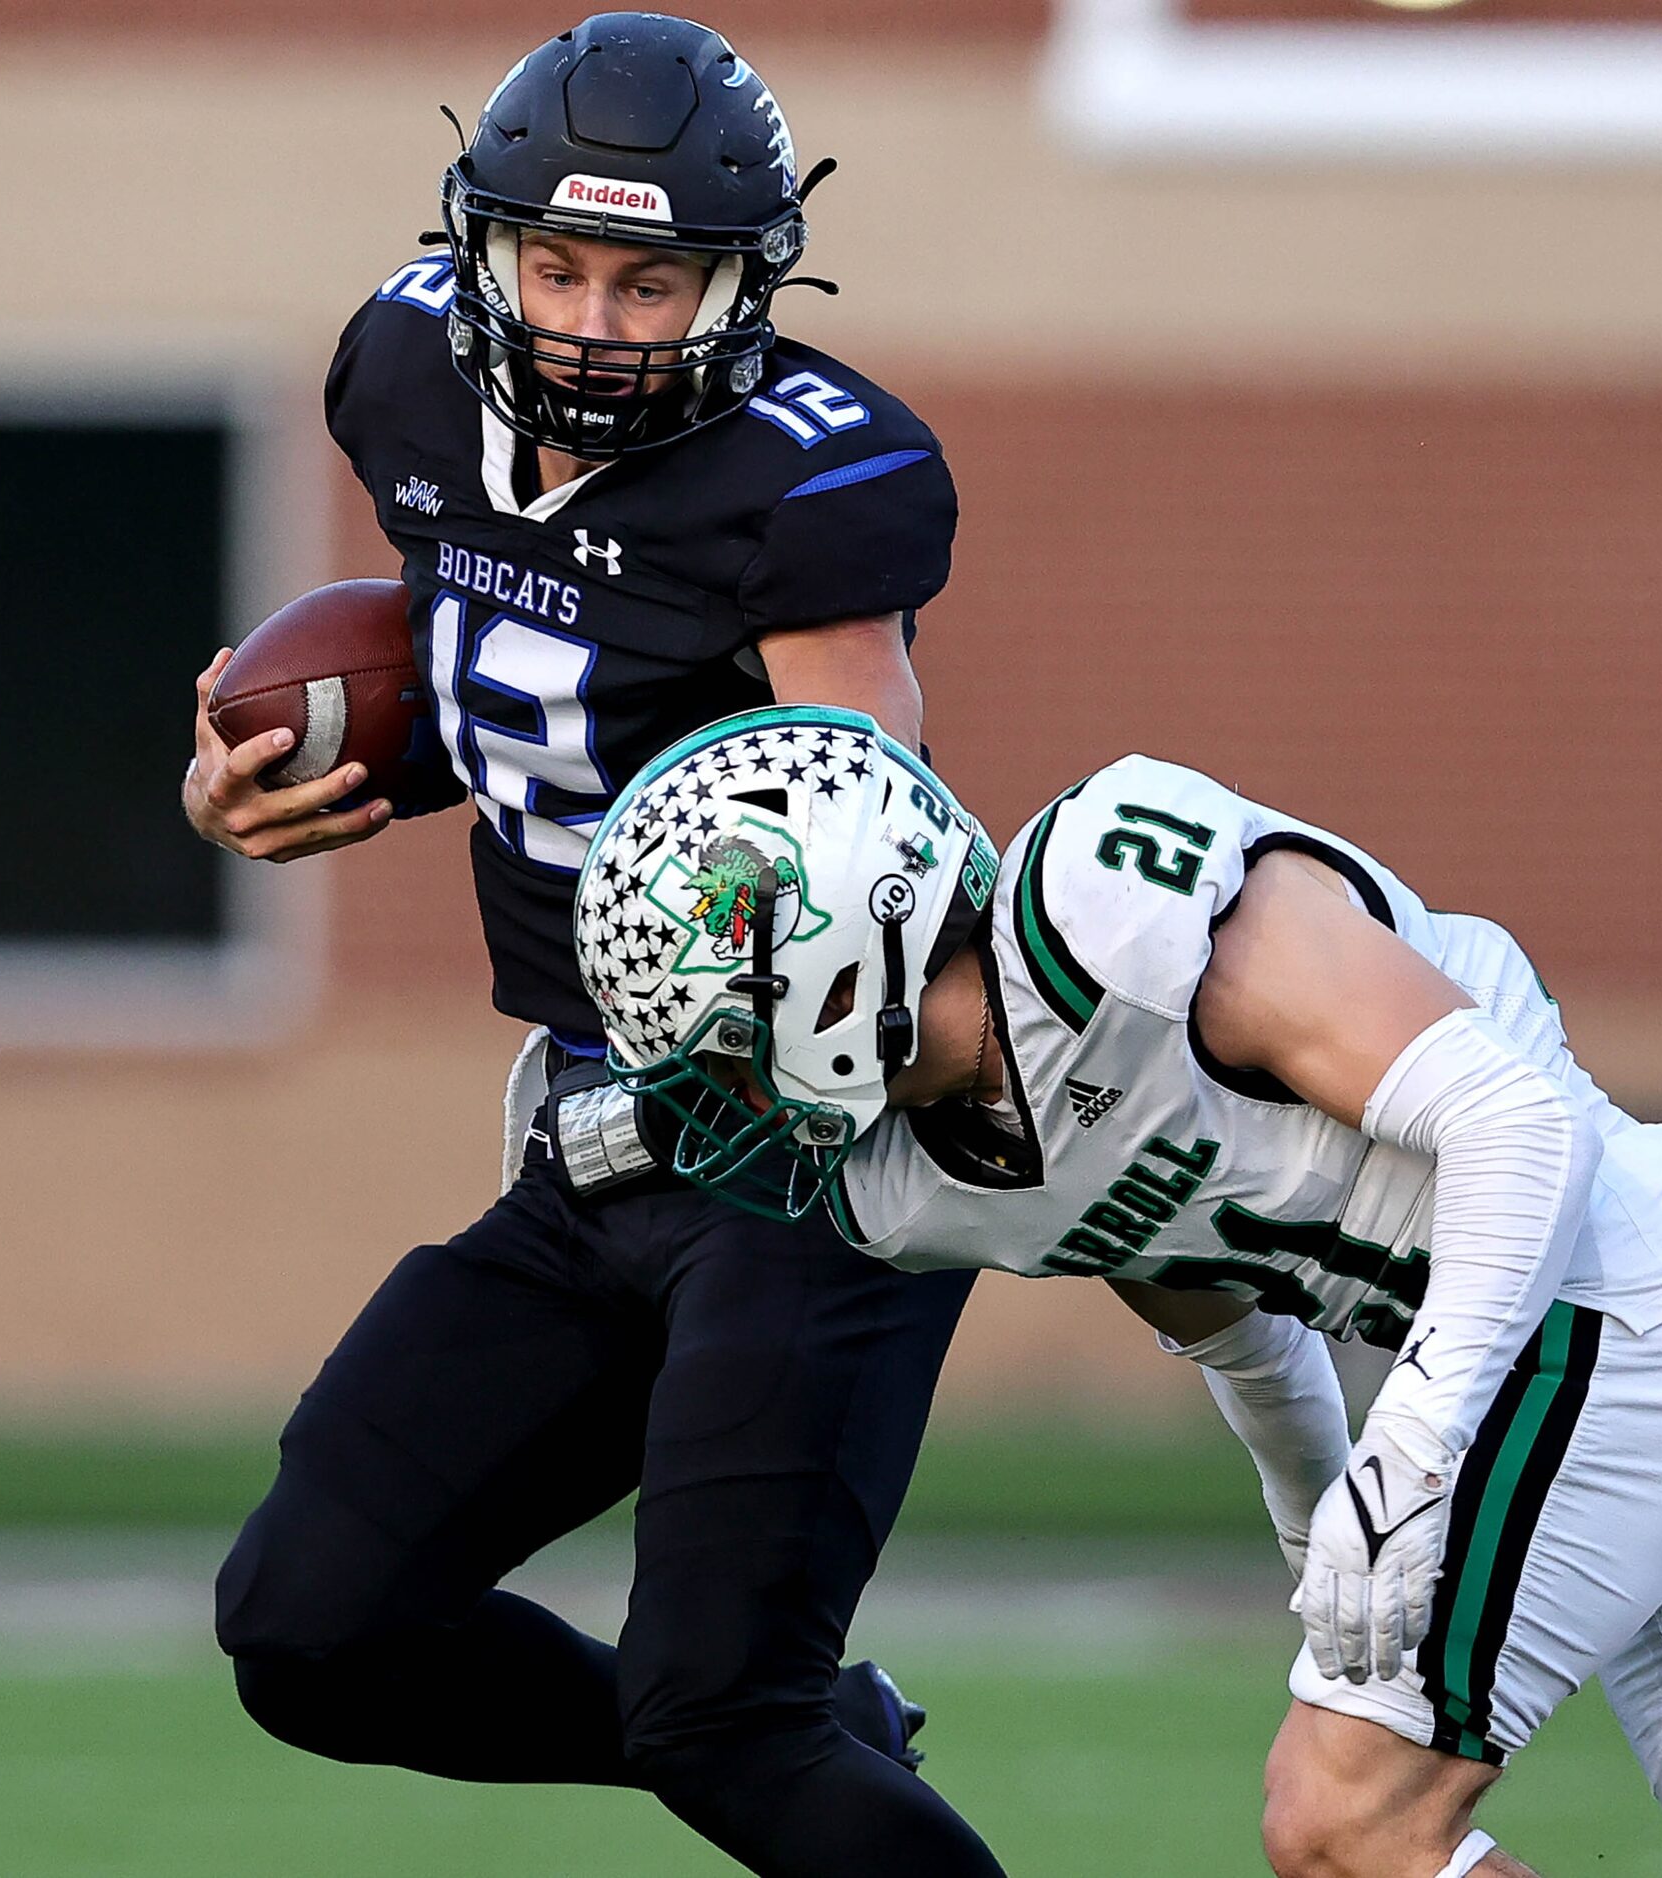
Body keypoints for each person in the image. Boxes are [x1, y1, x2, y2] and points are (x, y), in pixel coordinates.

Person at [573, 704, 1662, 1878]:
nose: (729, 1095)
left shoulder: (1100, 907)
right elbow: (1241, 1332)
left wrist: (1412, 1459)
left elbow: (1518, 1125)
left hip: (1610, 1310)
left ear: (848, 956)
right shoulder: (915, 1184)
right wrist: (1321, 1529)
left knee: (1342, 1824)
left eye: (733, 1040)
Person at [181, 19, 1005, 1876]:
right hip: (582, 1150)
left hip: (807, 1157)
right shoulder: (402, 369)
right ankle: (805, 1729)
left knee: (722, 1711)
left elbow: (867, 846)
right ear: (485, 248)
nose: (592, 322)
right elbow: (497, 665)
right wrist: (273, 777)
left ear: (742, 281)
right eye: (555, 266)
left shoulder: (810, 482)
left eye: (649, 280)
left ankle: (770, 1728)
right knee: (312, 1624)